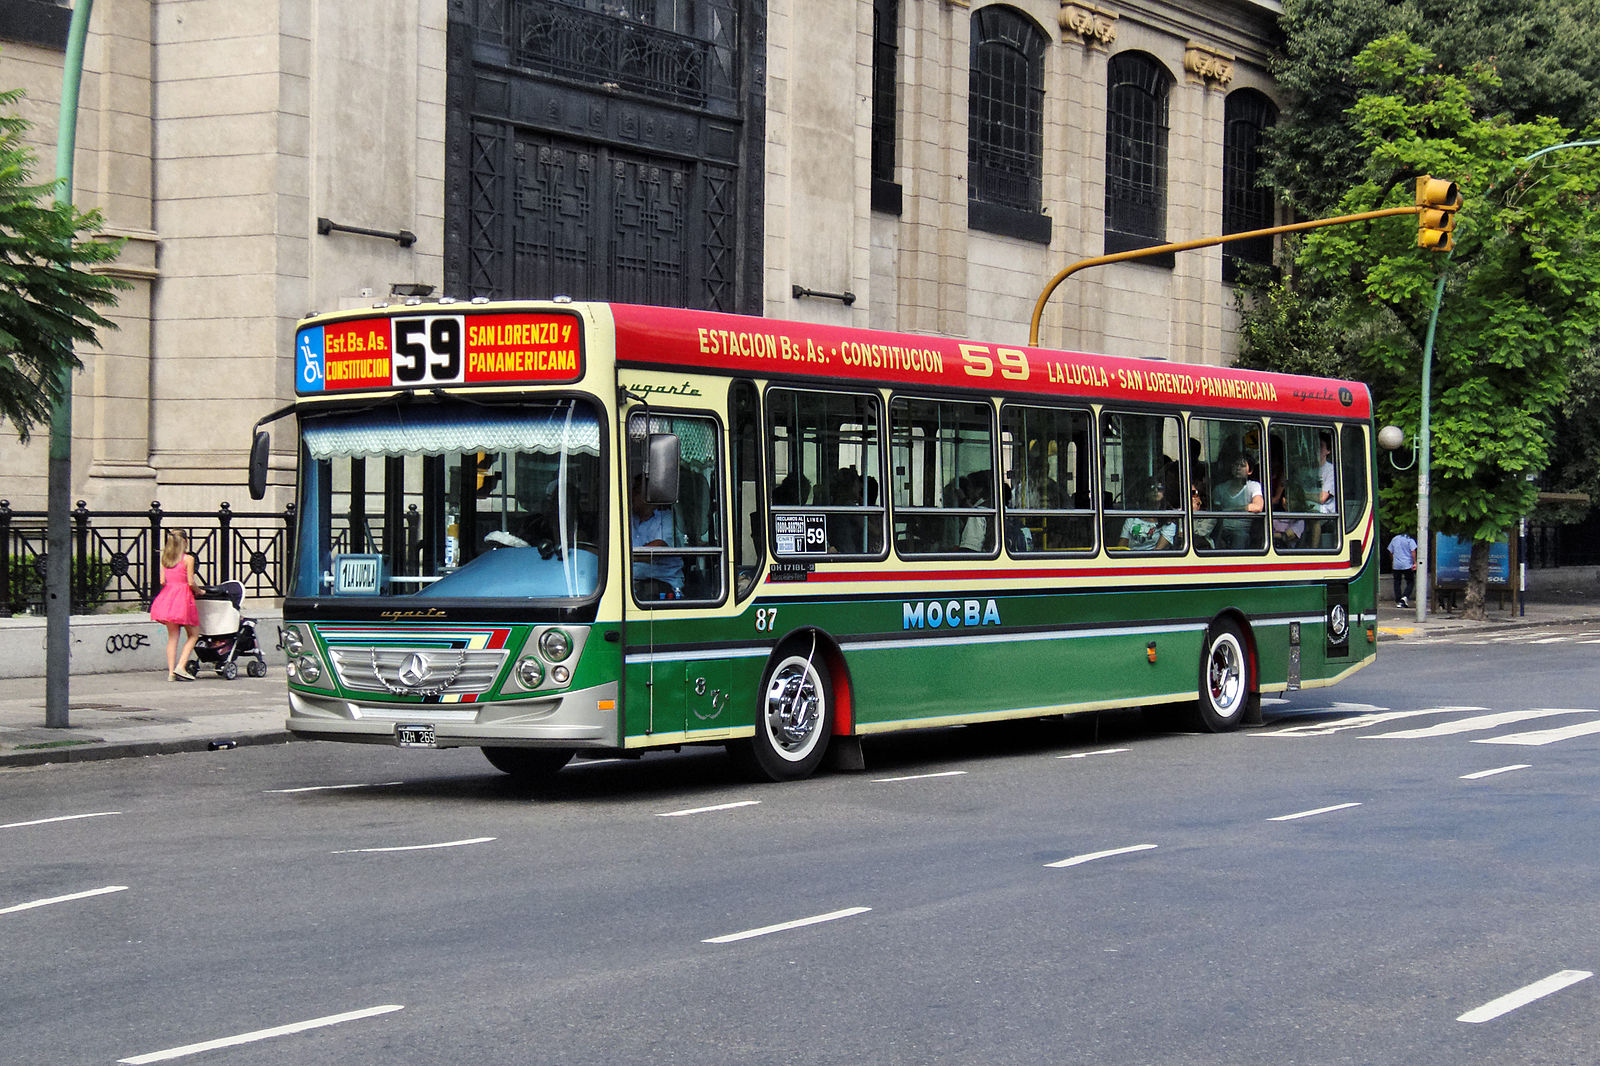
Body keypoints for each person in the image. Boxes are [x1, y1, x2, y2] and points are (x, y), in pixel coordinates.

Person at [150, 530, 203, 682]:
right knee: (193, 634)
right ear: (185, 541)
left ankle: (171, 673)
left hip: (167, 598)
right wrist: (199, 591)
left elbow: (162, 581)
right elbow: (191, 582)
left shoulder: (165, 559)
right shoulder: (188, 559)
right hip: (183, 598)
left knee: (173, 637)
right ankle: (181, 665)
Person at [630, 473, 684, 599]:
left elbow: (658, 547)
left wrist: (624, 558)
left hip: (663, 586)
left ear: (649, 496)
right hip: (633, 584)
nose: (631, 496)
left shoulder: (666, 518)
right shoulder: (630, 519)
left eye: (636, 492)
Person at [1213, 454, 1264, 549]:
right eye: (1236, 465)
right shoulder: (1220, 488)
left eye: (1242, 466)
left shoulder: (1253, 486)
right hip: (1222, 529)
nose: (1238, 468)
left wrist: (1231, 510)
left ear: (1250, 471)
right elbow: (1216, 514)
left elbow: (1258, 507)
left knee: (1240, 537)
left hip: (1241, 531)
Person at [1117, 480, 1177, 551]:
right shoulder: (1132, 517)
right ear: (1145, 493)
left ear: (1164, 494)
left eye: (1160, 489)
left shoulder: (1168, 521)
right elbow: (1121, 546)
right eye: (1152, 488)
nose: (1155, 490)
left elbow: (1157, 551)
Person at [1387, 530, 1418, 607]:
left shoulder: (1394, 539)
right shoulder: (1410, 539)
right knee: (1410, 581)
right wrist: (1415, 562)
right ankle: (1405, 597)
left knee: (1397, 582)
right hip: (1407, 564)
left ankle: (1398, 600)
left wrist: (1393, 561)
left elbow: (1390, 551)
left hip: (1396, 565)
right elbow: (1413, 551)